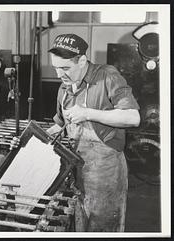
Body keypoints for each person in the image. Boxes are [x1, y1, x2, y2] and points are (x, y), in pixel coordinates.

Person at [46, 33, 140, 232]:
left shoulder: (107, 75)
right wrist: (36, 139)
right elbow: (59, 125)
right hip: (76, 169)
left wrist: (88, 113)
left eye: (65, 68)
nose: (58, 74)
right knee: (78, 221)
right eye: (55, 67)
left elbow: (132, 117)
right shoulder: (64, 88)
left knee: (102, 225)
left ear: (81, 60)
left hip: (105, 172)